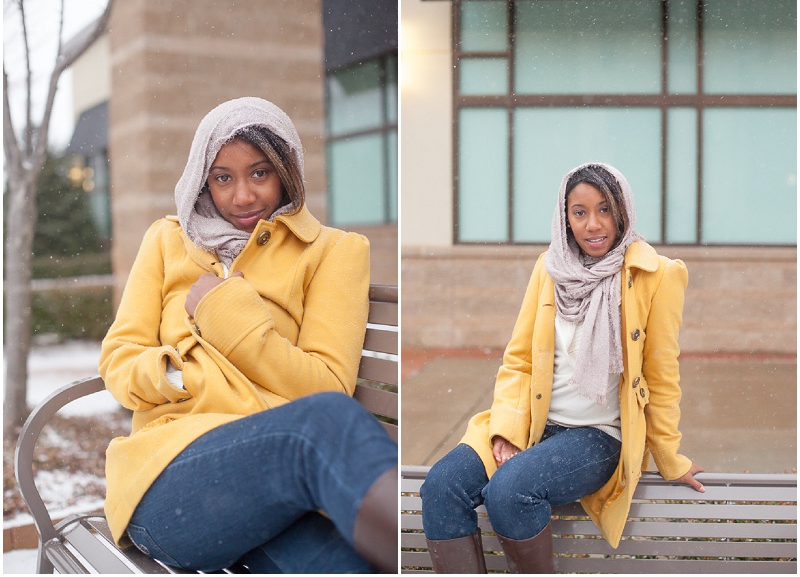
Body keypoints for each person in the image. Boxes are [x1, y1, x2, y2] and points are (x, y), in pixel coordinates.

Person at [99, 97, 398, 574]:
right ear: (202, 177)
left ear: (287, 172)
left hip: (275, 490)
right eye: (223, 177)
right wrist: (177, 375)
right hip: (170, 480)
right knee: (324, 423)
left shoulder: (332, 252)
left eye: (260, 173)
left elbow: (326, 384)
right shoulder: (166, 240)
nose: (242, 197)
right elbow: (119, 357)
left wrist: (228, 315)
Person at [420, 162, 704, 573]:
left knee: (510, 492)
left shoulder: (655, 275)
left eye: (605, 209)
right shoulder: (550, 268)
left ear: (622, 211)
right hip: (535, 424)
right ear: (564, 216)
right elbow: (519, 360)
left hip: (597, 435)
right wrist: (507, 428)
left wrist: (669, 456)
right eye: (580, 211)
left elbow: (660, 377)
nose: (593, 224)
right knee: (442, 487)